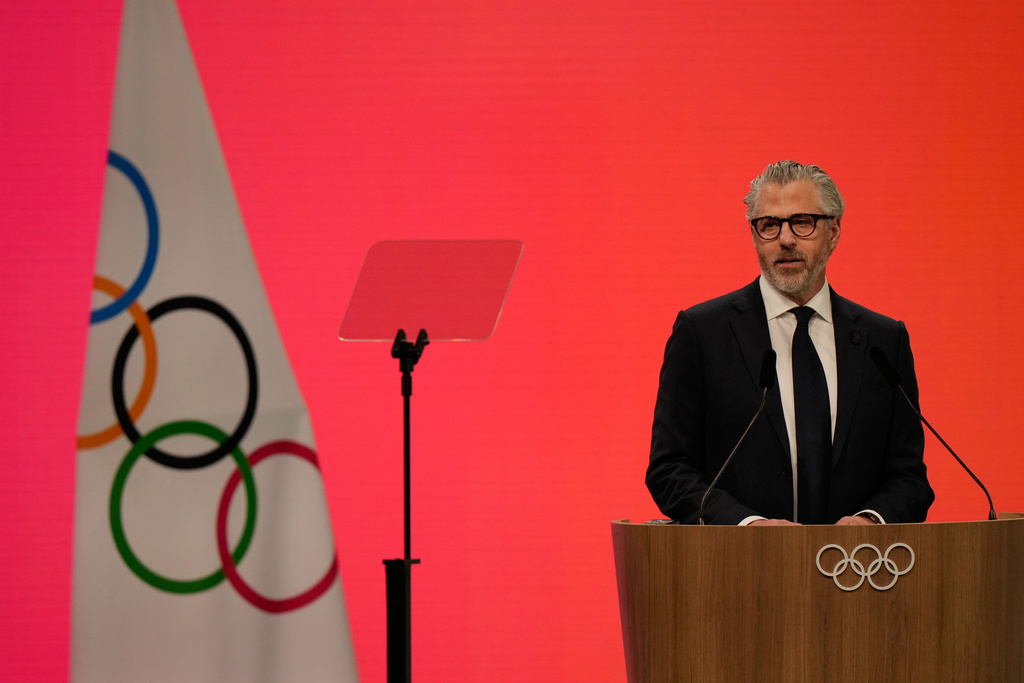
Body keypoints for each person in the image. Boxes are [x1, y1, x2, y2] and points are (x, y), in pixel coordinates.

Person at [646, 160, 933, 526]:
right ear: (754, 236)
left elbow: (908, 477)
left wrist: (871, 521)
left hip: (856, 572)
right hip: (739, 572)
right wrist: (749, 526)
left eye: (802, 222)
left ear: (834, 231)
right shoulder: (703, 333)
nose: (785, 239)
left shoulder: (883, 341)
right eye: (769, 225)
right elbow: (670, 469)